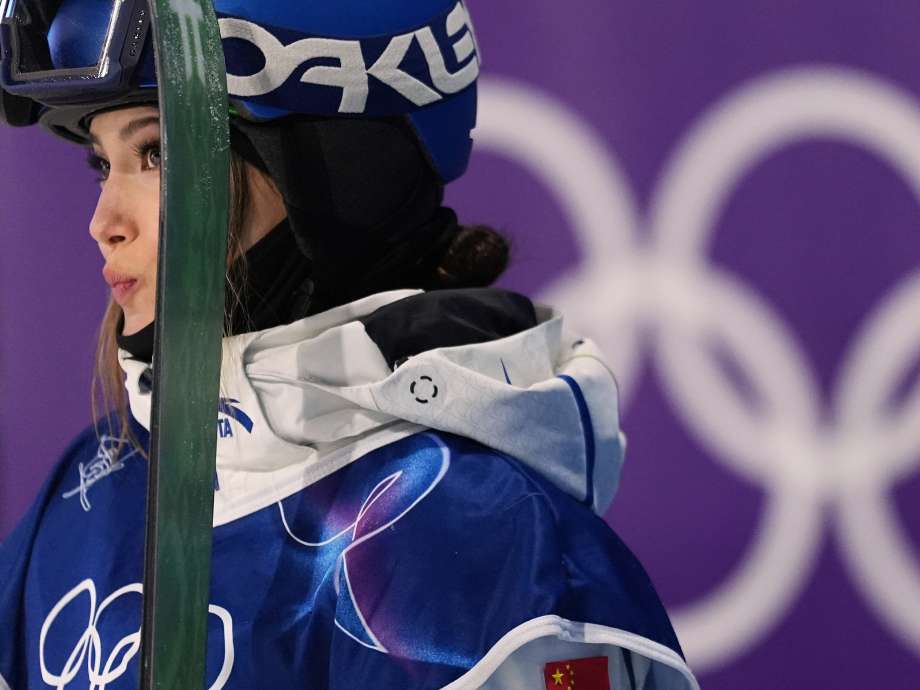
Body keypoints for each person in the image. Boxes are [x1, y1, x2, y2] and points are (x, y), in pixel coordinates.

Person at [0, 1, 698, 688]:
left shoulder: (473, 543)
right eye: (103, 164)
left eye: (157, 153)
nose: (104, 222)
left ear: (334, 167)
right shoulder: (93, 484)